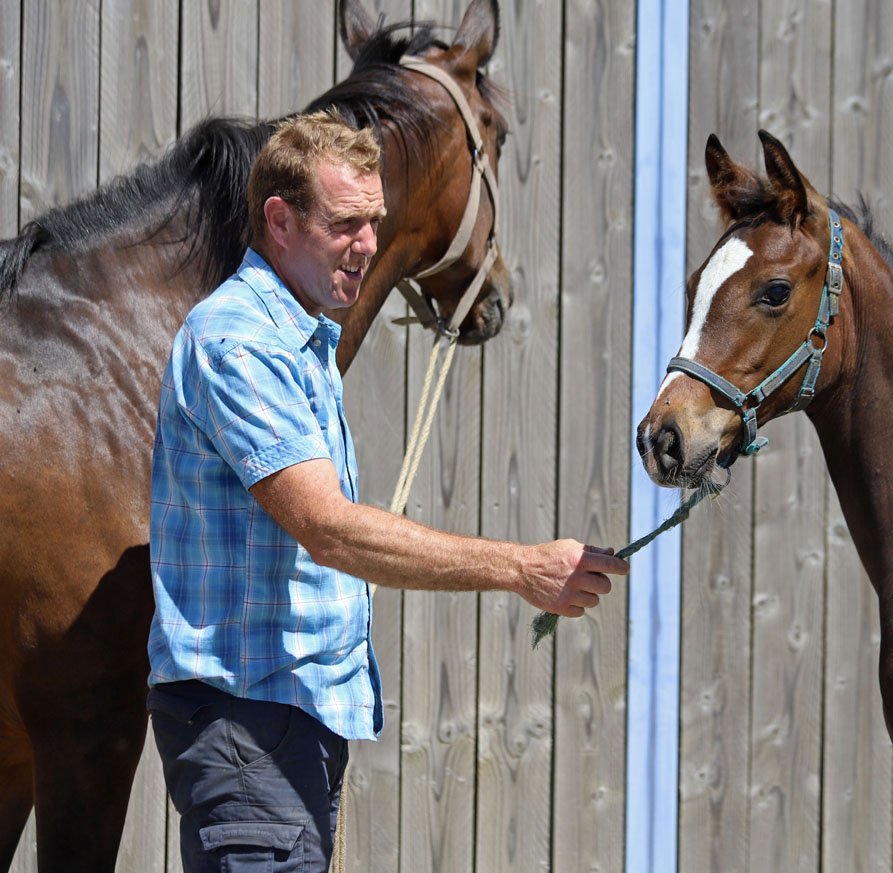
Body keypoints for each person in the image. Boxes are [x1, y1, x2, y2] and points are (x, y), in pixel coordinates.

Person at [146, 110, 627, 873]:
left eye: (374, 220)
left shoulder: (301, 340)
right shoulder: (241, 342)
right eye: (345, 223)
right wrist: (520, 567)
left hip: (283, 726)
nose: (369, 243)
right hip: (249, 727)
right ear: (280, 220)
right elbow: (328, 529)